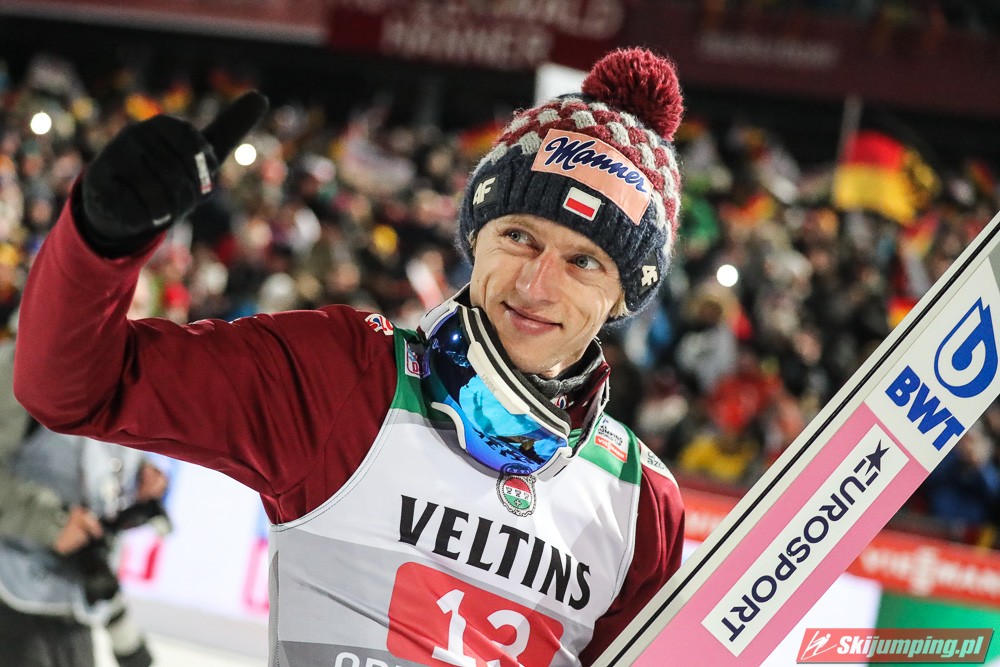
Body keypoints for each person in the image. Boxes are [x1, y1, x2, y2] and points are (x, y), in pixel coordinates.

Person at [14, 47, 686, 666]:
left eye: (583, 262)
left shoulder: (642, 509)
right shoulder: (343, 377)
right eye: (519, 236)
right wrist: (99, 241)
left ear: (623, 296)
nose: (537, 285)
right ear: (475, 237)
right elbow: (76, 387)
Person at [0, 323, 169, 667]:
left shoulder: (125, 375)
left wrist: (139, 478)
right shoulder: (25, 364)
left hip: (73, 602)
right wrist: (53, 522)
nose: (130, 318)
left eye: (138, 305)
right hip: (12, 590)